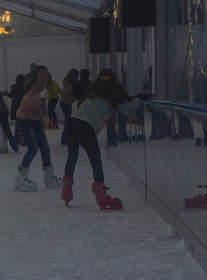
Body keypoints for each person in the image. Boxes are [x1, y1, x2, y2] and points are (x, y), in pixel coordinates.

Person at [59, 69, 147, 210]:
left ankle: (66, 190)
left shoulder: (93, 92)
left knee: (72, 156)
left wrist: (130, 98)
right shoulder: (113, 95)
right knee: (95, 161)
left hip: (73, 123)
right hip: (87, 127)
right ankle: (101, 195)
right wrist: (139, 99)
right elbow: (128, 110)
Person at [14, 66, 60, 192]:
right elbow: (27, 104)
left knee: (45, 147)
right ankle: (21, 178)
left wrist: (45, 115)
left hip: (35, 120)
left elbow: (42, 102)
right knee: (33, 148)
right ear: (35, 77)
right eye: (41, 75)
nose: (45, 78)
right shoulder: (34, 88)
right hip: (24, 120)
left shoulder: (43, 87)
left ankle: (49, 176)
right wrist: (39, 96)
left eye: (46, 75)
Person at [58, 68, 80, 144]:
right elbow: (70, 93)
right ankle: (65, 136)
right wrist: (76, 98)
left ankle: (65, 135)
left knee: (68, 119)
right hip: (67, 103)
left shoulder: (66, 81)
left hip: (62, 102)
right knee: (68, 120)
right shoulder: (72, 84)